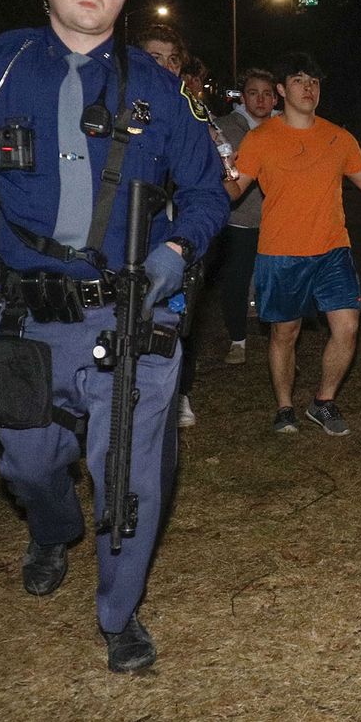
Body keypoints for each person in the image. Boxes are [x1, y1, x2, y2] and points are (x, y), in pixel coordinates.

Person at [0, 0, 225, 672]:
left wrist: (178, 248)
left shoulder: (160, 89)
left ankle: (119, 614)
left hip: (133, 312)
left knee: (131, 475)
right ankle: (50, 531)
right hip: (24, 318)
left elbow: (208, 191)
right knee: (26, 463)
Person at [229, 53, 361, 436]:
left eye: (313, 82)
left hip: (333, 248)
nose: (308, 88)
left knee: (347, 326)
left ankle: (323, 401)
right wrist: (214, 172)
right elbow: (234, 190)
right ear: (282, 90)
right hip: (280, 251)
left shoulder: (338, 136)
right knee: (285, 333)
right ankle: (285, 407)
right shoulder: (260, 138)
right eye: (299, 81)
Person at [135, 25, 205, 428]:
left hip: (178, 235)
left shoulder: (190, 112)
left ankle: (178, 392)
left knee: (178, 317)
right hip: (127, 236)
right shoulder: (121, 107)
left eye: (172, 59)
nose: (163, 66)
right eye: (153, 57)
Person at [213, 68, 277, 366]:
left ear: (276, 96)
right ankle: (238, 340)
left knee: (277, 282)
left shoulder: (285, 127)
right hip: (240, 219)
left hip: (279, 221)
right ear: (243, 96)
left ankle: (282, 343)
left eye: (267, 93)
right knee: (236, 281)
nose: (261, 100)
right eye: (253, 93)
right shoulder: (224, 126)